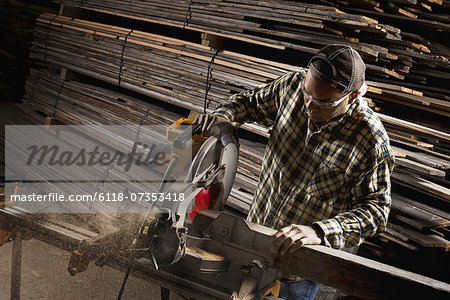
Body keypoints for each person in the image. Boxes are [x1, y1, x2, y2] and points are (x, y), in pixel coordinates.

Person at [194, 44, 395, 300]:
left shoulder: (371, 141)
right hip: (253, 237)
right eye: (306, 94)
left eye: (323, 102)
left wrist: (320, 232)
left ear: (353, 96)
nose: (309, 106)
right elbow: (247, 103)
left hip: (300, 264)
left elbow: (376, 212)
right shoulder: (291, 87)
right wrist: (223, 117)